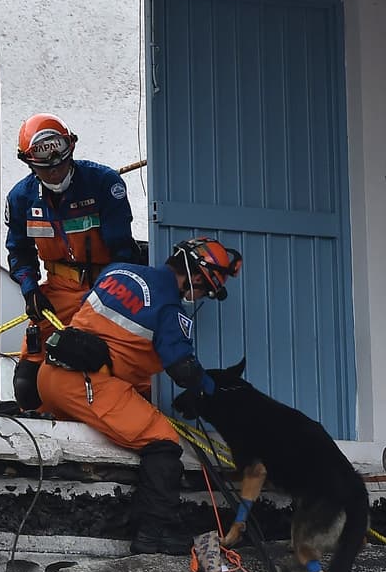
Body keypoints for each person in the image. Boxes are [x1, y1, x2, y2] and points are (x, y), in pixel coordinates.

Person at [35, 236, 241, 555]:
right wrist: (215, 392)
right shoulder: (170, 308)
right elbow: (183, 369)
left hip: (50, 377)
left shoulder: (117, 272)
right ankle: (154, 534)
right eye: (205, 291)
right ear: (196, 276)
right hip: (87, 385)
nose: (200, 297)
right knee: (163, 440)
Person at [4, 113, 137, 411]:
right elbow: (19, 252)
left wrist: (108, 297)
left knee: (115, 366)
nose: (54, 172)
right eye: (44, 168)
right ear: (29, 163)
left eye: (60, 164)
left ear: (71, 149)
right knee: (28, 383)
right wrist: (30, 290)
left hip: (108, 288)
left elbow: (123, 251)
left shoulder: (104, 184)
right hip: (58, 292)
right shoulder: (21, 199)